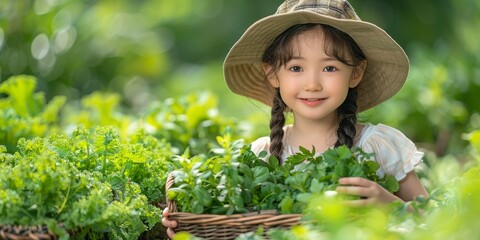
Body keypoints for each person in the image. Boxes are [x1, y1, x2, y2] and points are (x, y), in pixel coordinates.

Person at [162, 0, 429, 238]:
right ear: (273, 74)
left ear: (356, 73)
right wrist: (188, 224)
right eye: (296, 68)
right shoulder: (260, 157)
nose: (312, 84)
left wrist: (393, 206)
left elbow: (436, 219)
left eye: (329, 67)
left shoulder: (378, 145)